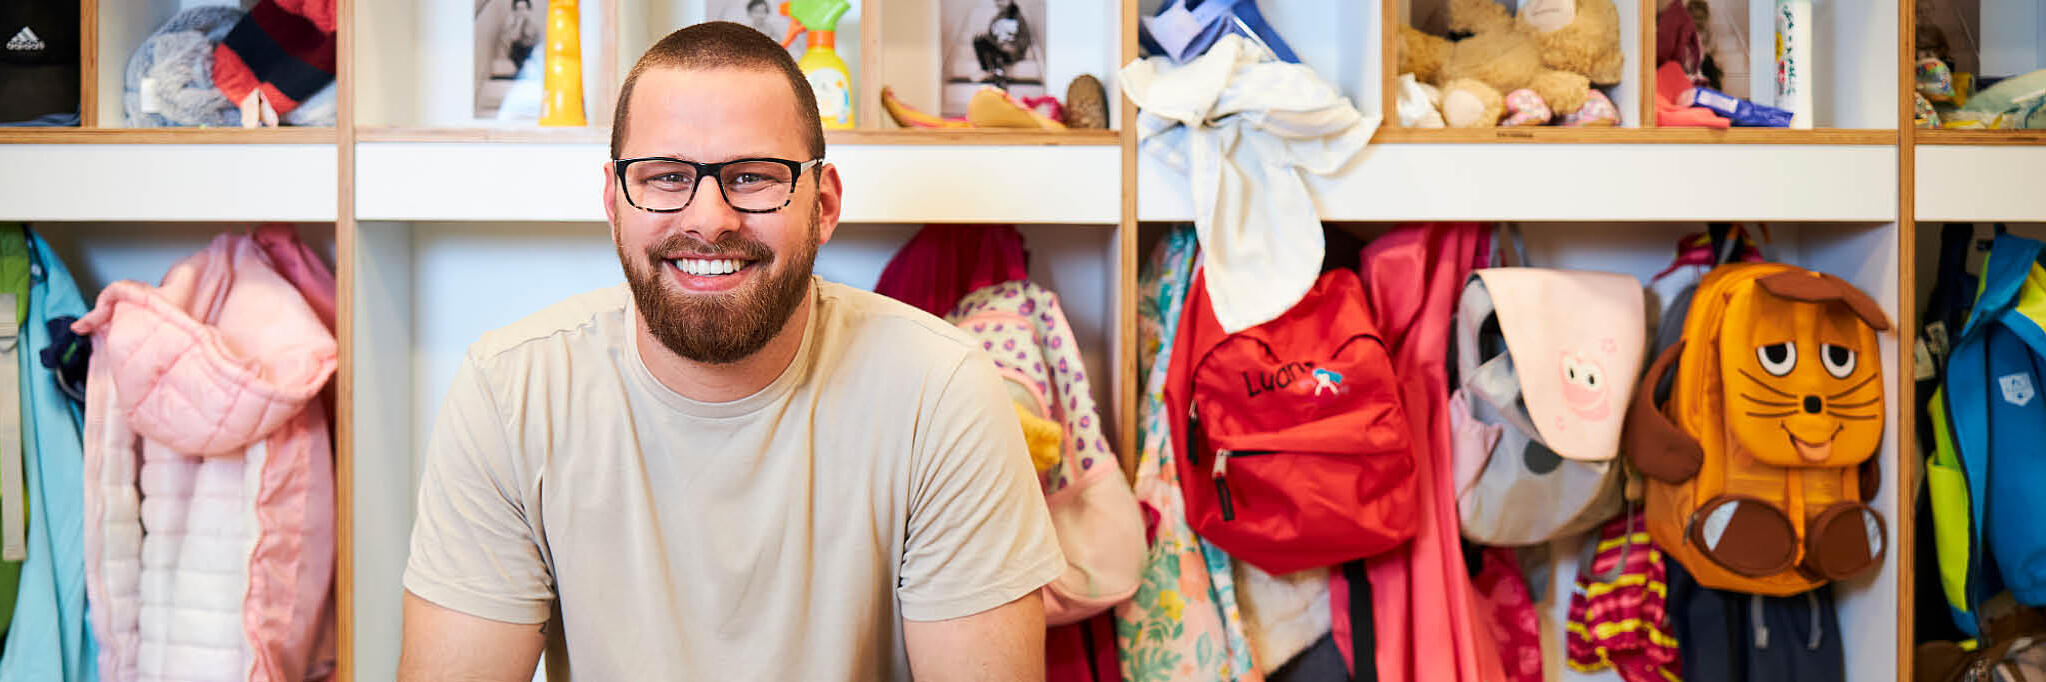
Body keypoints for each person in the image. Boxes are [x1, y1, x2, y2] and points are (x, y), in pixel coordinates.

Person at [398, 21, 1063, 681]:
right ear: (613, 201)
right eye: (664, 176)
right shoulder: (511, 394)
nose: (710, 218)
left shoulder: (939, 392)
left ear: (823, 204)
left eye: (752, 176)